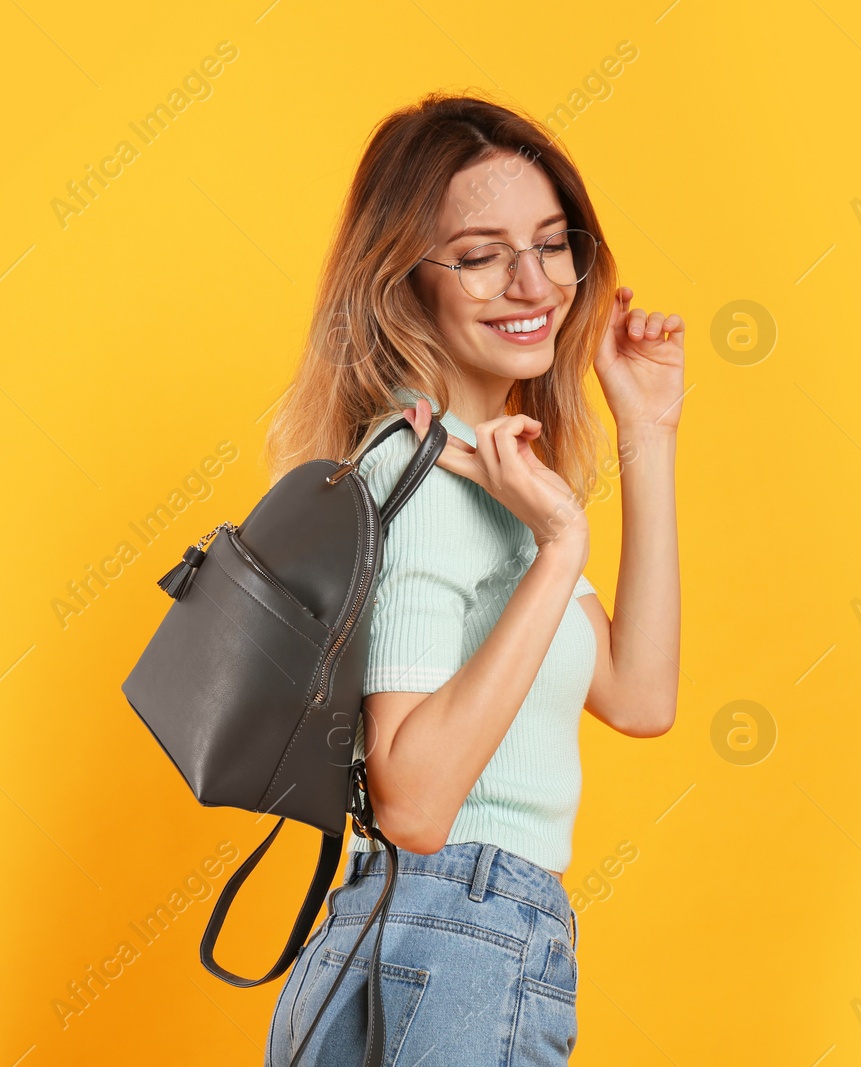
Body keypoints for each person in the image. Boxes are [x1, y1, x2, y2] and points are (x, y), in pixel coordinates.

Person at [262, 91, 683, 1066]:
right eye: (482, 253)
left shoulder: (490, 475)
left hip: (415, 942)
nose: (530, 281)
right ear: (405, 279)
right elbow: (411, 802)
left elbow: (641, 695)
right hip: (459, 939)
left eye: (550, 241)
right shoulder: (427, 476)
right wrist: (564, 542)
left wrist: (646, 433)